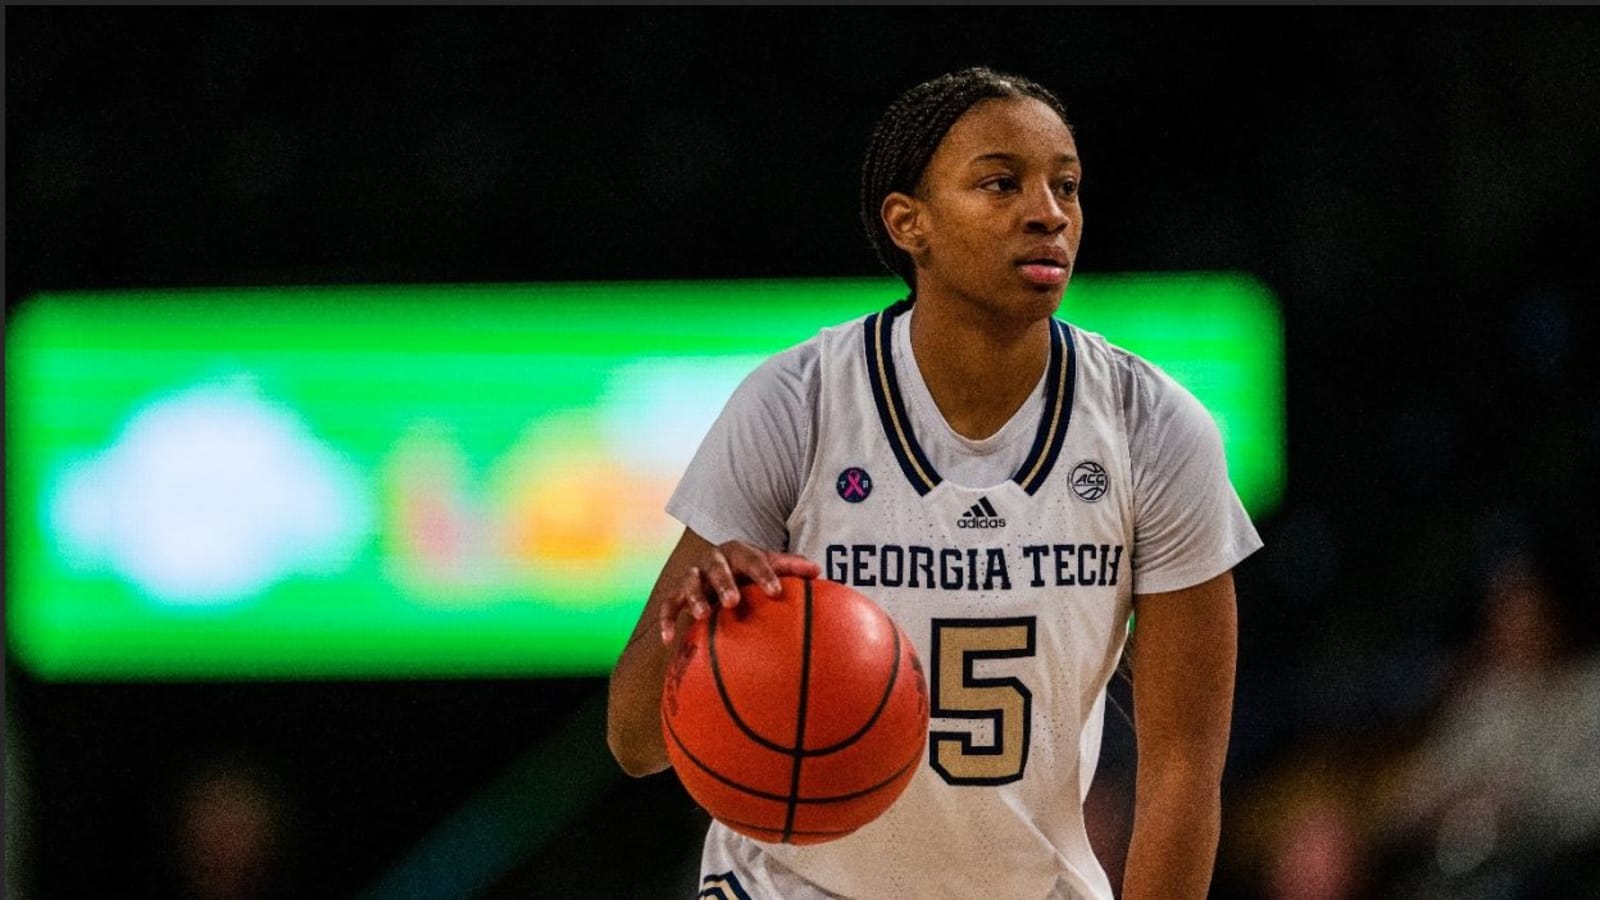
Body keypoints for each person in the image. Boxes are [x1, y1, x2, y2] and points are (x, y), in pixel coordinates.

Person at [607, 66, 1262, 899]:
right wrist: (698, 634)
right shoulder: (799, 404)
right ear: (908, 223)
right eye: (1001, 183)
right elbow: (633, 740)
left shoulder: (1155, 427)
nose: (1048, 212)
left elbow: (1182, 773)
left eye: (1066, 186)